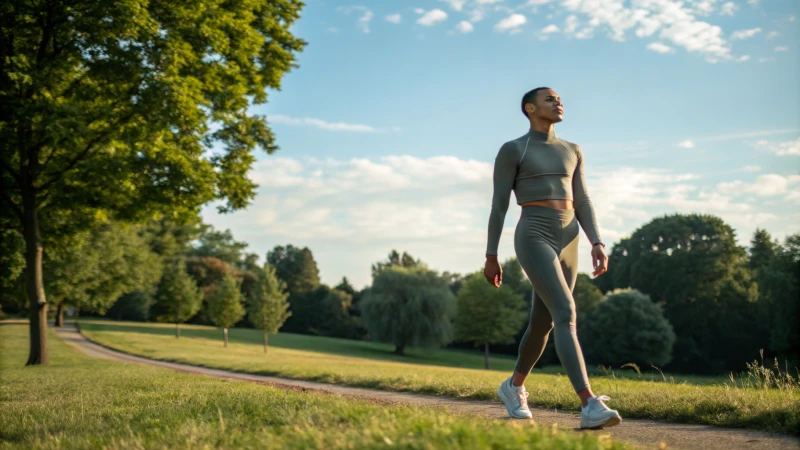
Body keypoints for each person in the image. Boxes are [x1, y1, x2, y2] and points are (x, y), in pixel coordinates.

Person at [484, 87, 622, 429]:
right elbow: (499, 203)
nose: (558, 102)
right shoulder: (514, 149)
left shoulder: (572, 149)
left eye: (560, 98)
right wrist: (491, 254)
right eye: (549, 98)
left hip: (570, 235)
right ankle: (589, 403)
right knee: (566, 311)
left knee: (544, 322)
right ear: (530, 108)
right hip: (534, 232)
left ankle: (513, 386)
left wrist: (597, 241)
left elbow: (583, 199)